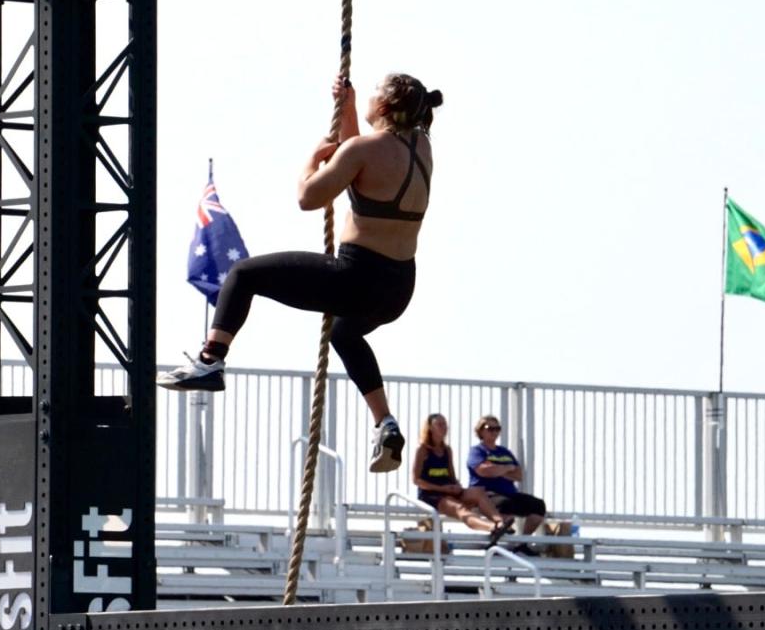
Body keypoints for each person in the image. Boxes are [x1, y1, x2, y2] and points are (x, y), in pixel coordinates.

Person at [158, 73, 442, 475]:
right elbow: (365, 158)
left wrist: (311, 161)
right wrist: (347, 109)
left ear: (382, 106)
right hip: (397, 287)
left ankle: (210, 361)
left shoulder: (364, 150)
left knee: (243, 275)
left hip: (356, 276)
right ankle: (386, 424)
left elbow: (309, 197)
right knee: (345, 333)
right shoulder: (421, 148)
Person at [412, 413, 513, 545]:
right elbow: (417, 480)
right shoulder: (423, 450)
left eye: (445, 424)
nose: (444, 428)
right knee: (460, 508)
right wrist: (441, 488)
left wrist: (456, 486)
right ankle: (492, 528)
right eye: (440, 424)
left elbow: (451, 476)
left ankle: (500, 522)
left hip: (448, 490)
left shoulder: (447, 450)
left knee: (478, 492)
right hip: (432, 495)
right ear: (430, 428)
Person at [466, 415, 548, 555]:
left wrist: (497, 470)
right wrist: (506, 468)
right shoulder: (477, 451)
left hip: (510, 493)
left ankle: (522, 543)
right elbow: (483, 471)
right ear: (481, 431)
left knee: (538, 506)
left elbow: (518, 475)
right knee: (505, 506)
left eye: (497, 428)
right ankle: (495, 543)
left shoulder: (504, 452)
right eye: (490, 428)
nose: (494, 432)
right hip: (488, 495)